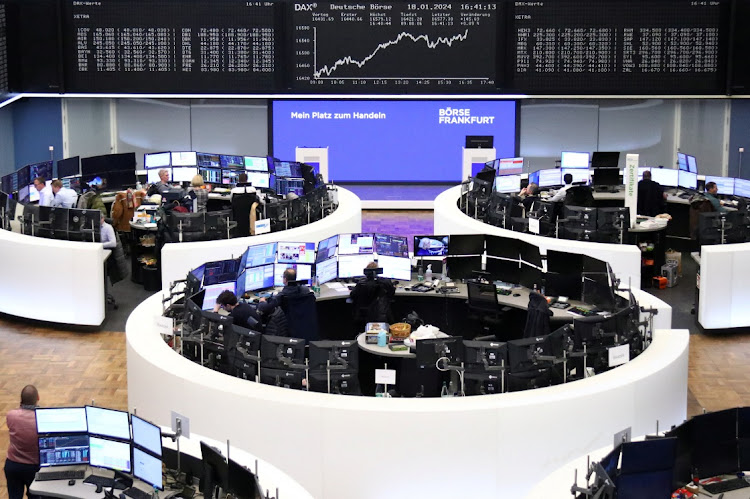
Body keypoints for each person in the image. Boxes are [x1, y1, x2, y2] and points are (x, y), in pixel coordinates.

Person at [5, 385, 40, 499]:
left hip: (13, 465)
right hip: (34, 467)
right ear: (38, 397)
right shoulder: (41, 419)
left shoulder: (11, 415)